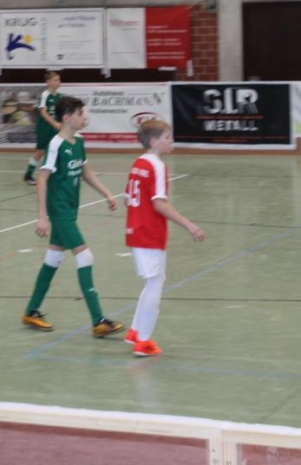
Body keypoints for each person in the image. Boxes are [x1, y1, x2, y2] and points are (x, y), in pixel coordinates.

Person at [22, 96, 126, 338]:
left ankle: (31, 310)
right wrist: (42, 216)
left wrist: (107, 193)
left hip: (71, 209)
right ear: (67, 117)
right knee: (85, 256)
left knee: (53, 259)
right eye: (80, 114)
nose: (83, 117)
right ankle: (98, 320)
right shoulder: (56, 144)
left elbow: (86, 173)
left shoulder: (79, 141)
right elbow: (42, 180)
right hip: (59, 211)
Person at [123, 119, 205, 357]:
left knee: (154, 280)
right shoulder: (157, 166)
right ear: (154, 141)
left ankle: (136, 331)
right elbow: (159, 204)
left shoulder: (138, 163)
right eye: (168, 137)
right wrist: (189, 225)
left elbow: (128, 199)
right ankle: (143, 342)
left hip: (135, 231)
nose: (172, 140)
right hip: (149, 233)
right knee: (155, 284)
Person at [23, 71, 63, 186]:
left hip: (55, 128)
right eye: (55, 80)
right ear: (48, 82)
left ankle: (60, 174)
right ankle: (28, 175)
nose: (58, 82)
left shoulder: (60, 96)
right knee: (41, 151)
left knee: (59, 150)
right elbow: (43, 112)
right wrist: (54, 123)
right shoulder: (45, 95)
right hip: (45, 128)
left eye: (59, 80)